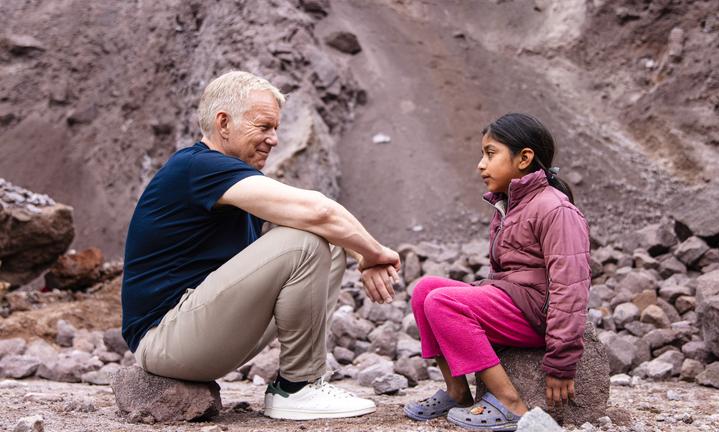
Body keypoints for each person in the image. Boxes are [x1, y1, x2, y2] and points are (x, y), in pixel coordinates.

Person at [121, 71, 400, 420]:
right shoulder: (198, 167)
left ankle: (301, 383)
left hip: (196, 335)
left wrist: (359, 254)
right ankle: (297, 388)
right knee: (304, 241)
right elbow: (318, 210)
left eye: (275, 128)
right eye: (264, 127)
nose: (274, 139)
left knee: (328, 243)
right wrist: (376, 254)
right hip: (164, 339)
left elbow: (320, 220)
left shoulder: (230, 180)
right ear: (224, 123)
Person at [403, 113, 591, 430]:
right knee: (425, 290)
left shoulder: (554, 208)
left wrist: (562, 360)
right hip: (514, 302)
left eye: (490, 154)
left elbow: (570, 288)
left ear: (524, 158)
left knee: (444, 302)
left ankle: (509, 402)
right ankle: (457, 389)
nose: (480, 164)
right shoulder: (509, 204)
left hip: (537, 315)